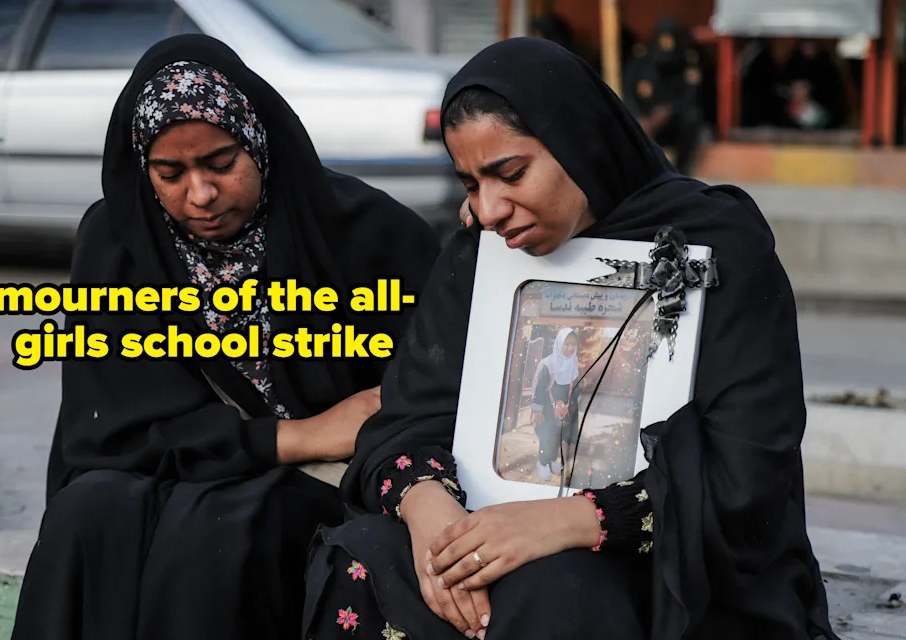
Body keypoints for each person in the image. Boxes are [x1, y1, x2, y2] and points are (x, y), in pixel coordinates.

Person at [303, 37, 838, 640]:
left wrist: (563, 522)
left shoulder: (715, 247)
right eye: (470, 184)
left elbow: (747, 475)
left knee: (554, 585)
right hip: (486, 527)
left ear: (578, 143)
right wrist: (431, 512)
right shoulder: (479, 257)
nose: (489, 209)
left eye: (510, 174)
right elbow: (408, 418)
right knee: (365, 551)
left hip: (664, 557)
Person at [10, 34, 440, 639]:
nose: (201, 196)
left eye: (220, 163)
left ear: (259, 142)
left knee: (225, 525)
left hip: (319, 486)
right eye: (170, 173)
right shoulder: (118, 241)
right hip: (188, 464)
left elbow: (426, 395)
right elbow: (109, 432)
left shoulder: (366, 234)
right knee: (87, 513)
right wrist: (297, 435)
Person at [622, 18, 704, 175]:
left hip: (670, 122)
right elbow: (628, 91)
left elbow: (691, 96)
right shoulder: (642, 59)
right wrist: (639, 116)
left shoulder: (686, 61)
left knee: (692, 118)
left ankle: (681, 172)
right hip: (643, 122)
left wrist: (669, 111)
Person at [531, 327, 580, 482]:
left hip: (564, 409)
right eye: (566, 344)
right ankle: (543, 462)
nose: (570, 348)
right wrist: (538, 411)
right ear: (559, 344)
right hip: (548, 408)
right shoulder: (549, 363)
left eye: (573, 344)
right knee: (547, 436)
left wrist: (573, 404)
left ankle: (553, 460)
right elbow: (540, 388)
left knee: (560, 436)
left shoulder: (573, 361)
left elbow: (575, 385)